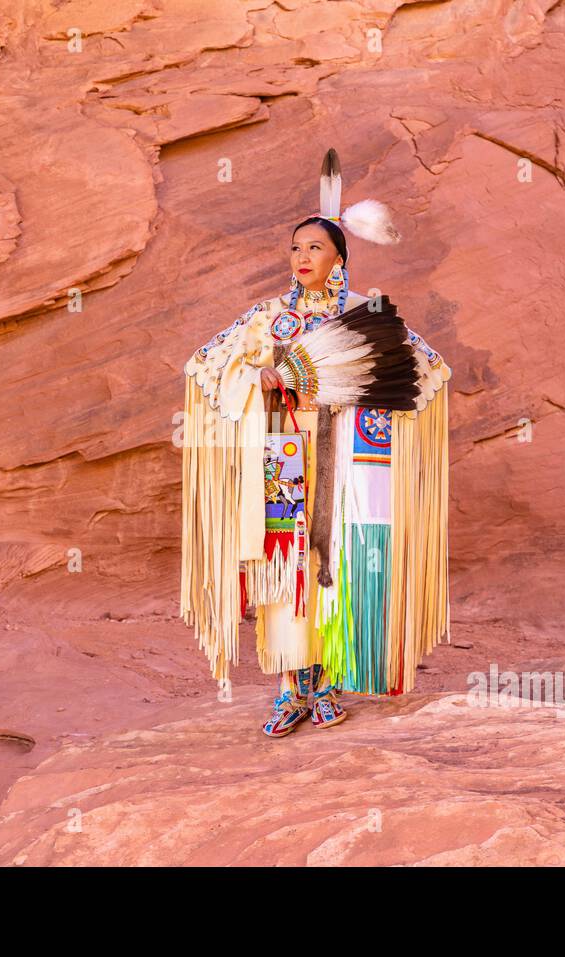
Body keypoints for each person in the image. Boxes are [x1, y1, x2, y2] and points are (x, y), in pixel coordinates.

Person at [180, 149, 452, 737]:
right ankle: (290, 684)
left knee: (344, 560)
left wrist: (366, 409)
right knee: (288, 562)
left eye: (316, 248)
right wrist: (260, 379)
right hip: (285, 452)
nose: (303, 257)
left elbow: (427, 372)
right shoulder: (268, 320)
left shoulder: (364, 316)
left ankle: (327, 679)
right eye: (296, 247)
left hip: (350, 460)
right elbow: (207, 364)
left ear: (340, 258)